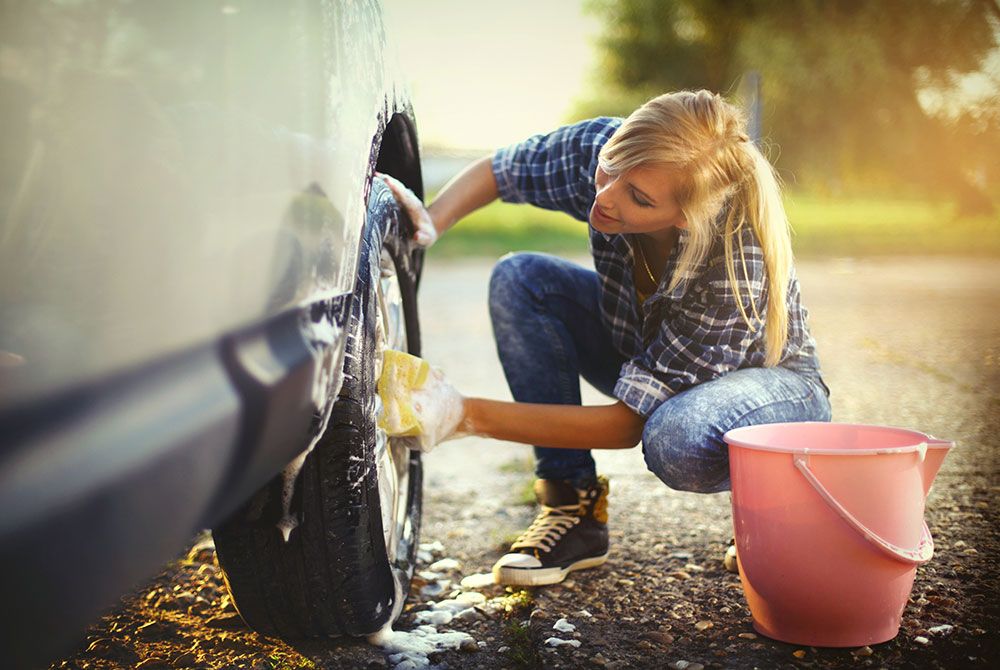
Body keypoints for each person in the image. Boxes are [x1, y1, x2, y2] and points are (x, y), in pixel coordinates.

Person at [379, 90, 831, 587]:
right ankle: (572, 508)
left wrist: (464, 415)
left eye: (638, 197)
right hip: (644, 344)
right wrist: (431, 221)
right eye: (608, 168)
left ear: (685, 216)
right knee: (521, 279)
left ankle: (781, 499)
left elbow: (626, 425)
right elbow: (501, 172)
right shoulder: (607, 151)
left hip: (773, 391)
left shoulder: (734, 263)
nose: (605, 197)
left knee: (674, 438)